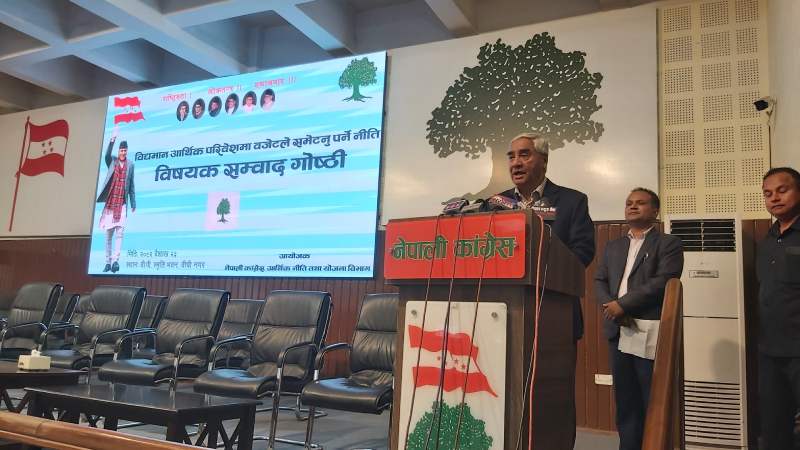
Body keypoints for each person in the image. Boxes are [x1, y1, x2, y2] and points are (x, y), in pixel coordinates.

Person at [497, 131, 595, 448]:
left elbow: (582, 252)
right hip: (503, 315)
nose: (516, 162)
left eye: (524, 154)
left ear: (544, 160)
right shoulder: (497, 203)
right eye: (511, 156)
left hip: (555, 318)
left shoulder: (572, 201)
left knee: (553, 399)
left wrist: (542, 270)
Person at [594, 188, 683, 450]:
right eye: (629, 203)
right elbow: (599, 279)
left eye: (640, 203)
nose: (632, 206)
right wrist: (610, 306)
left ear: (655, 210)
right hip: (617, 329)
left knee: (652, 400)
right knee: (626, 401)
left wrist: (623, 305)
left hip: (648, 330)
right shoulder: (613, 246)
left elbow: (664, 281)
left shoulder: (668, 243)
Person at [757, 167, 800, 450]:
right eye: (767, 193)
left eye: (782, 190)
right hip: (770, 349)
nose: (774, 198)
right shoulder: (768, 239)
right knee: (774, 427)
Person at [95, 125, 136, 273]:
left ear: (126, 151)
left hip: (122, 203)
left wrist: (133, 203)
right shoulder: (112, 161)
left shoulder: (130, 165)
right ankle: (107, 262)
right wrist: (112, 139)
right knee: (108, 235)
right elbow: (106, 155)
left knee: (120, 233)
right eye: (121, 150)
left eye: (125, 150)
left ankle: (116, 261)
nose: (123, 152)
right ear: (118, 151)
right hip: (111, 202)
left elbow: (131, 185)